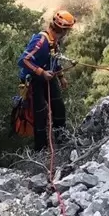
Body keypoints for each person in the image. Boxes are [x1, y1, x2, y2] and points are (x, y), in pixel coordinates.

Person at [19, 9, 75, 151]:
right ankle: (41, 149)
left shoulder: (54, 41)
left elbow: (54, 60)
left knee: (59, 108)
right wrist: (41, 72)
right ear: (62, 29)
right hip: (35, 81)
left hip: (49, 77)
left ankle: (62, 140)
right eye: (67, 30)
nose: (68, 33)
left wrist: (61, 77)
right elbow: (23, 60)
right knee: (40, 114)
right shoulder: (41, 41)